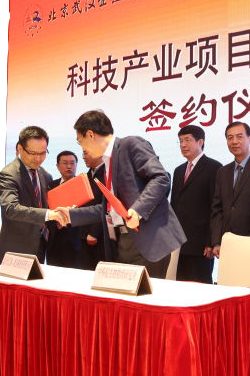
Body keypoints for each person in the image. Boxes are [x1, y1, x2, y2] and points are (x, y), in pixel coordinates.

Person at [58, 110, 186, 278]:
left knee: (144, 294)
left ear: (90, 134)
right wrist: (70, 215)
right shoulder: (107, 162)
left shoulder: (130, 144)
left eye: (80, 142)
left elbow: (161, 178)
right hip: (123, 241)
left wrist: (137, 211)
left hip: (148, 238)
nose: (82, 148)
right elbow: (107, 208)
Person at [0, 126, 68, 263]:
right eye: (33, 153)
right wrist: (49, 214)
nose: (38, 158)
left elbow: (47, 206)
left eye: (43, 153)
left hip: (40, 245)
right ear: (20, 148)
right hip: (16, 249)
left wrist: (59, 217)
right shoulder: (8, 174)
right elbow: (10, 209)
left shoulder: (45, 174)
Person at [211, 122, 250, 257]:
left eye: (239, 136)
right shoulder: (222, 171)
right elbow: (217, 209)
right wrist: (216, 241)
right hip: (227, 243)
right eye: (230, 138)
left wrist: (249, 241)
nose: (234, 141)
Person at [171, 125, 222, 283]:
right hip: (179, 242)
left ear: (200, 142)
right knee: (180, 285)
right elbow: (174, 205)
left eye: (187, 140)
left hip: (201, 243)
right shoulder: (178, 170)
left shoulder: (214, 167)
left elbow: (215, 207)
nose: (183, 145)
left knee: (200, 285)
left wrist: (211, 241)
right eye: (180, 141)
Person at [46, 151, 83, 268]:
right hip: (54, 239)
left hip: (77, 240)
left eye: (72, 163)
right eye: (65, 163)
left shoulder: (83, 185)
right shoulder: (51, 185)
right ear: (57, 166)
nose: (69, 166)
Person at [78, 149, 106, 270]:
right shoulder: (86, 176)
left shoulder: (108, 173)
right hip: (83, 235)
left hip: (101, 236)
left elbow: (107, 205)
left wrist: (94, 232)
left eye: (86, 153)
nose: (83, 157)